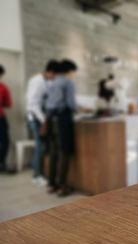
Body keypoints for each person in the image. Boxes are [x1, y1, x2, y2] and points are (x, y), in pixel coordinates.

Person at [46, 59, 78, 196]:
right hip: (63, 119)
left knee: (54, 152)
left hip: (51, 119)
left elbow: (50, 103)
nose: (74, 75)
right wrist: (79, 109)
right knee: (64, 152)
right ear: (69, 71)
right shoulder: (67, 82)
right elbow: (71, 104)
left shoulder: (52, 82)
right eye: (73, 72)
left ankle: (52, 184)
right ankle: (62, 186)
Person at [26, 60, 60, 185]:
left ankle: (40, 172)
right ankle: (36, 176)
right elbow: (33, 105)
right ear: (50, 72)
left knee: (44, 146)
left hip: (41, 117)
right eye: (54, 75)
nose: (55, 78)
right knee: (40, 146)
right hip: (35, 118)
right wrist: (44, 121)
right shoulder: (37, 82)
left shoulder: (46, 81)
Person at [0, 65, 12, 173]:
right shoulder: (3, 88)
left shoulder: (4, 88)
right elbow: (8, 104)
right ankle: (2, 163)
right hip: (0, 118)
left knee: (5, 141)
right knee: (5, 141)